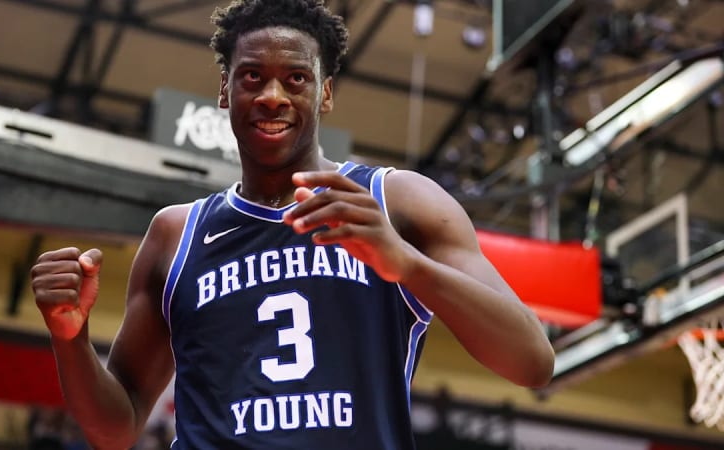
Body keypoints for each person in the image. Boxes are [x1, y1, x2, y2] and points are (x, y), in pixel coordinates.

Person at [29, 0, 554, 448]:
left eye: (296, 78)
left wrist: (406, 264)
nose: (272, 95)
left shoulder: (398, 202)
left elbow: (533, 362)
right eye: (252, 76)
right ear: (225, 89)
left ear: (325, 94)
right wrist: (68, 336)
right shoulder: (175, 234)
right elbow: (117, 427)